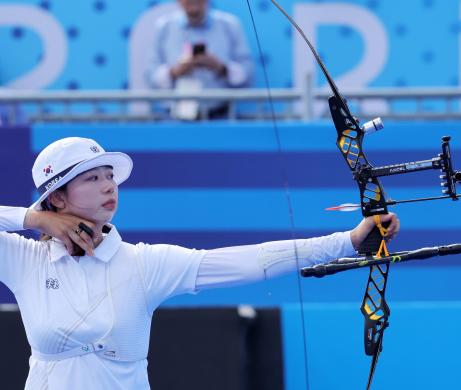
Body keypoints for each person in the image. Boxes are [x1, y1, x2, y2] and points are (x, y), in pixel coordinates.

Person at [0, 137, 399, 389]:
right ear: (57, 198)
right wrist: (33, 219)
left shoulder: (145, 264)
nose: (108, 185)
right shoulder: (26, 260)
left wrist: (346, 241)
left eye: (110, 176)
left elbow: (251, 261)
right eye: (91, 178)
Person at [146, 0, 254, 120]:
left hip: (220, 119)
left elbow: (247, 73)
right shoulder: (164, 27)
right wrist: (176, 71)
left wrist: (220, 67)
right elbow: (150, 76)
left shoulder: (230, 25)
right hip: (175, 120)